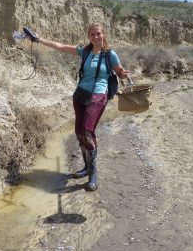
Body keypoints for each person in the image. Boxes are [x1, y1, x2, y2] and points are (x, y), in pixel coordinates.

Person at [26, 23, 130, 191]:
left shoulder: (110, 55)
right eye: (92, 34)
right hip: (80, 94)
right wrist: (38, 39)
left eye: (98, 34)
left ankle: (93, 173)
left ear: (103, 35)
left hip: (99, 94)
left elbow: (120, 72)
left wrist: (123, 74)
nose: (96, 37)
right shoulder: (85, 51)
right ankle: (86, 166)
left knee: (88, 131)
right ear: (89, 36)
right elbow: (60, 47)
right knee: (79, 132)